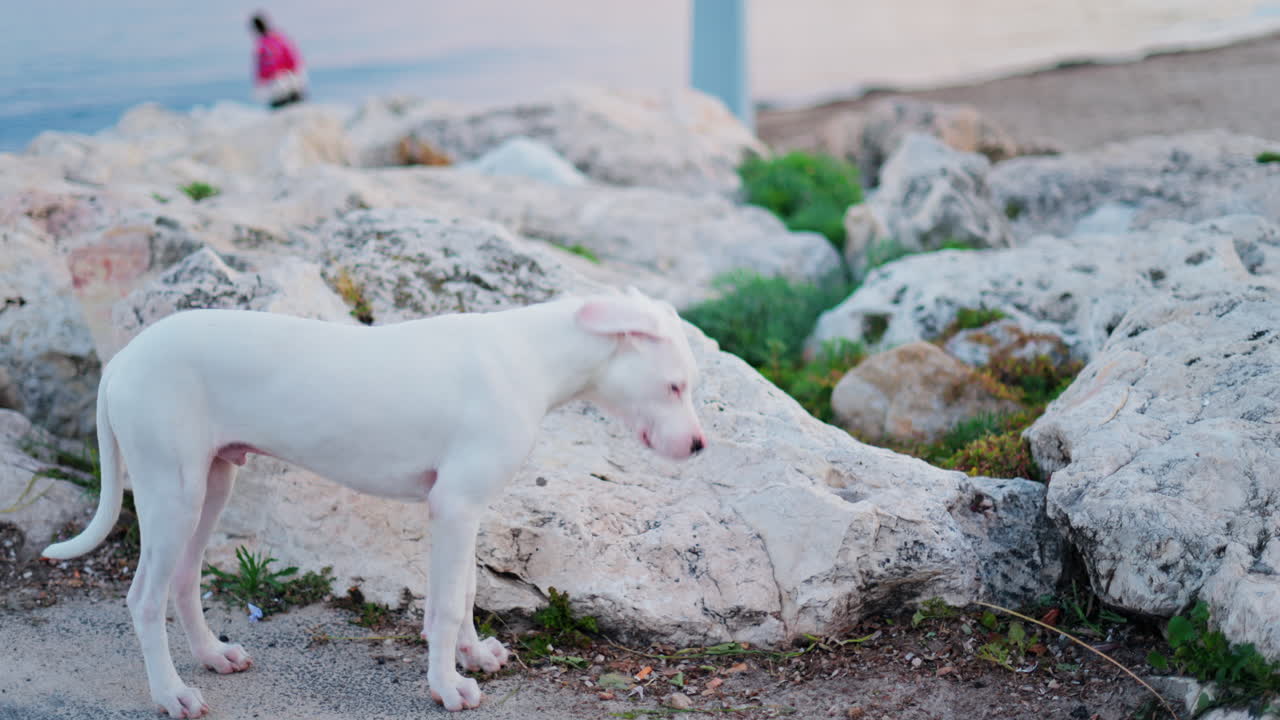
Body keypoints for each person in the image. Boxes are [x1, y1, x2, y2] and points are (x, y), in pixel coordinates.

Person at [249, 13, 307, 109]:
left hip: (282, 82)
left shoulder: (265, 43)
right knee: (296, 108)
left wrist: (262, 78)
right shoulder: (276, 38)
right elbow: (291, 55)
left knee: (286, 109)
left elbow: (264, 66)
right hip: (288, 80)